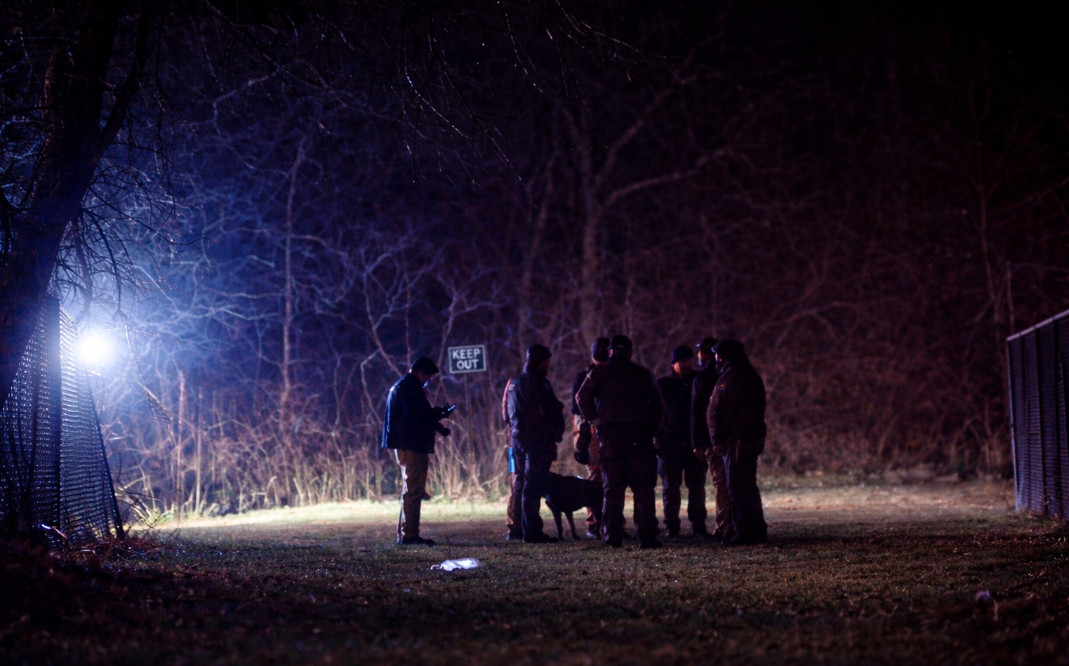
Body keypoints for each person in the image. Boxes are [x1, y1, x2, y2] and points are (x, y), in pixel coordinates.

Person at [576, 334, 664, 549]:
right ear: (631, 352)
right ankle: (647, 537)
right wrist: (650, 430)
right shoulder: (643, 374)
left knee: (612, 490)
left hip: (612, 438)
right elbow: (658, 406)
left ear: (610, 352)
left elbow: (581, 397)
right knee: (643, 491)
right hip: (640, 439)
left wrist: (595, 421)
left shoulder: (599, 373)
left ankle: (612, 537)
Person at [381, 357, 454, 546]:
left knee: (411, 489)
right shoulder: (409, 389)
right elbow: (417, 417)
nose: (428, 379)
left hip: (407, 443)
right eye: (428, 375)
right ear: (419, 372)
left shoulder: (404, 387)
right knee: (414, 490)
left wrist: (438, 425)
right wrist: (438, 414)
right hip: (411, 445)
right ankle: (409, 535)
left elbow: (416, 415)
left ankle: (407, 533)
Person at [706, 339, 768, 545]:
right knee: (748, 486)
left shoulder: (732, 378)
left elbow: (719, 410)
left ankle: (744, 532)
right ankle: (756, 529)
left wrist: (719, 439)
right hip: (747, 439)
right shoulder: (749, 375)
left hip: (736, 441)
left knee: (738, 487)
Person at [503, 344, 566, 544]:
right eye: (547, 362)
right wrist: (554, 431)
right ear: (542, 362)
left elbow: (506, 414)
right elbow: (549, 410)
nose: (548, 366)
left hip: (518, 440)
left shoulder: (514, 382)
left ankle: (519, 528)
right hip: (536, 441)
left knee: (521, 484)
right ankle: (532, 532)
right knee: (533, 485)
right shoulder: (539, 383)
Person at [655, 345, 710, 538]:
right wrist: (658, 439)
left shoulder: (698, 380)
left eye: (689, 360)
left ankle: (698, 525)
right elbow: (655, 413)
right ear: (673, 363)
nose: (687, 364)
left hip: (693, 442)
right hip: (669, 445)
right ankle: (672, 526)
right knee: (671, 488)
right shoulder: (663, 385)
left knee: (696, 486)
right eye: (682, 361)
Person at [691, 335, 733, 541]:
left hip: (712, 439)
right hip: (728, 437)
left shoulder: (703, 379)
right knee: (728, 482)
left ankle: (724, 525)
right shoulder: (727, 375)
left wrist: (697, 442)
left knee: (720, 483)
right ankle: (729, 523)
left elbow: (697, 412)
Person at [571, 337, 611, 538]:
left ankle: (600, 521)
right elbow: (577, 411)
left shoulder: (583, 376)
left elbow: (575, 412)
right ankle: (598, 521)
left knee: (600, 476)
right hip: (596, 432)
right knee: (602, 476)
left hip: (596, 432)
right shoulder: (589, 377)